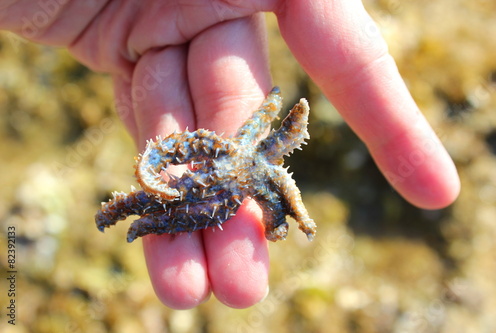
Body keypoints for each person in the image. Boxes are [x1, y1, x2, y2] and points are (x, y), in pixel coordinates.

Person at [0, 0, 460, 309]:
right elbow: (257, 132)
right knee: (163, 205)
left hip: (235, 175)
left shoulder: (256, 170)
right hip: (230, 166)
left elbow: (282, 179)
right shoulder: (238, 147)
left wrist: (294, 216)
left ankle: (125, 213)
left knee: (167, 212)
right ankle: (121, 211)